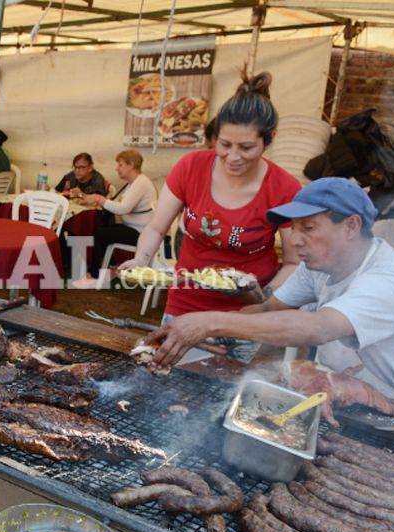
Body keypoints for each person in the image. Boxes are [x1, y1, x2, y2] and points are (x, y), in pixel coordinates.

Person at [148, 178, 394, 399]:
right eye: (294, 227)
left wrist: (208, 323)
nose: (294, 240)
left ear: (351, 226)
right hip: (335, 391)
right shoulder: (318, 264)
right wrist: (201, 333)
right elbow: (269, 307)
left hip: (388, 408)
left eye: (308, 228)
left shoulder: (386, 279)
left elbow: (319, 327)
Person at [119, 71, 302, 363]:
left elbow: (293, 262)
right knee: (168, 377)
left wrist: (266, 300)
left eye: (246, 147)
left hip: (246, 315)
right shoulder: (191, 166)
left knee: (224, 390)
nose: (233, 157)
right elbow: (156, 227)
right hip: (186, 301)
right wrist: (141, 260)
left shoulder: (284, 188)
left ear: (269, 141)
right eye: (225, 145)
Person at [71, 150, 157, 286]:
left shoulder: (140, 183)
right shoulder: (134, 182)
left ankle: (94, 276)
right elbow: (122, 205)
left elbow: (123, 208)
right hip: (136, 228)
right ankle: (110, 265)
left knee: (100, 233)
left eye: (120, 165)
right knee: (103, 229)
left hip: (141, 232)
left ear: (131, 165)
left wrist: (100, 199)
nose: (117, 168)